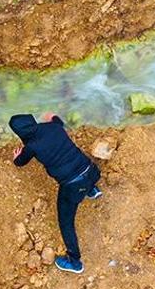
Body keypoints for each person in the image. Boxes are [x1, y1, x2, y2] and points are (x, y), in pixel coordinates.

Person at [9, 113, 101, 274]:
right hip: (92, 171)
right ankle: (92, 190)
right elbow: (58, 121)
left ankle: (74, 261)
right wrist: (53, 117)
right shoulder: (53, 127)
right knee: (80, 168)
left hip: (73, 186)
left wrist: (17, 156)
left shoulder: (31, 146)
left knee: (66, 223)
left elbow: (20, 162)